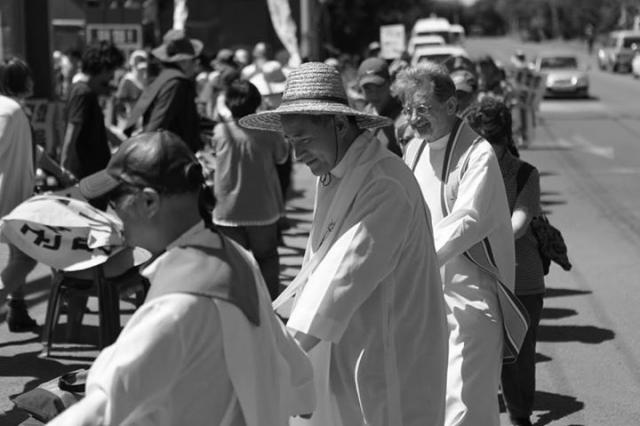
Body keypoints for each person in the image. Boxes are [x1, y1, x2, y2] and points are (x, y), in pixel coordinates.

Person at [48, 130, 315, 425]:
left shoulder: (177, 305)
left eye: (114, 199)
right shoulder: (235, 256)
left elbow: (108, 404)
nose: (112, 213)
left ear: (148, 201)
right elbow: (281, 349)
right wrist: (303, 393)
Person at [240, 62, 449, 426]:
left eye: (303, 139)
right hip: (349, 344)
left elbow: (341, 277)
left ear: (338, 125)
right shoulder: (341, 171)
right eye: (291, 142)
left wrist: (274, 357)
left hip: (386, 356)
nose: (297, 154)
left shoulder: (383, 184)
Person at [392, 63, 527, 426]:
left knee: (464, 404)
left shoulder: (477, 154)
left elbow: (467, 220)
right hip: (425, 293)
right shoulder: (415, 150)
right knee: (428, 400)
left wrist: (412, 260)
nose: (413, 119)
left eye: (422, 108)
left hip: (471, 299)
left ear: (451, 106)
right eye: (407, 109)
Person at [466, 97, 545, 426]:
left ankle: (519, 416)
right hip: (474, 275)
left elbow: (520, 222)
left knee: (519, 356)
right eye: (479, 141)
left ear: (504, 141)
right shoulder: (466, 170)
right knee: (473, 353)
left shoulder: (525, 174)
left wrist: (475, 235)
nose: (485, 150)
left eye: (491, 143)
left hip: (521, 279)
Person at [212, 80, 289, 300]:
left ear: (228, 103)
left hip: (227, 211)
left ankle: (237, 313)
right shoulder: (268, 130)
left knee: (234, 264)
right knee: (266, 258)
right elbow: (282, 157)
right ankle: (270, 311)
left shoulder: (220, 131)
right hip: (262, 209)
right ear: (256, 102)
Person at [125, 29, 203, 153]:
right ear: (183, 61)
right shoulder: (176, 83)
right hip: (170, 158)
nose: (196, 65)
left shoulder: (162, 78)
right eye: (194, 60)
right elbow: (157, 123)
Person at [61, 41, 125, 182]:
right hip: (85, 178)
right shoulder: (82, 92)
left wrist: (126, 144)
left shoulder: (86, 92)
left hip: (95, 177)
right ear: (102, 68)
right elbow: (72, 132)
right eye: (111, 71)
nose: (111, 78)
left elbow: (99, 128)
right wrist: (63, 171)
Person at [357, 57, 405, 156]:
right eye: (368, 89)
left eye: (379, 87)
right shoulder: (364, 115)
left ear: (390, 82)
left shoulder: (404, 115)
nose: (374, 94)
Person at [114, 49, 148, 124]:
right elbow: (119, 103)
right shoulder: (127, 80)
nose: (142, 70)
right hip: (131, 119)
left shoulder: (148, 80)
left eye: (144, 69)